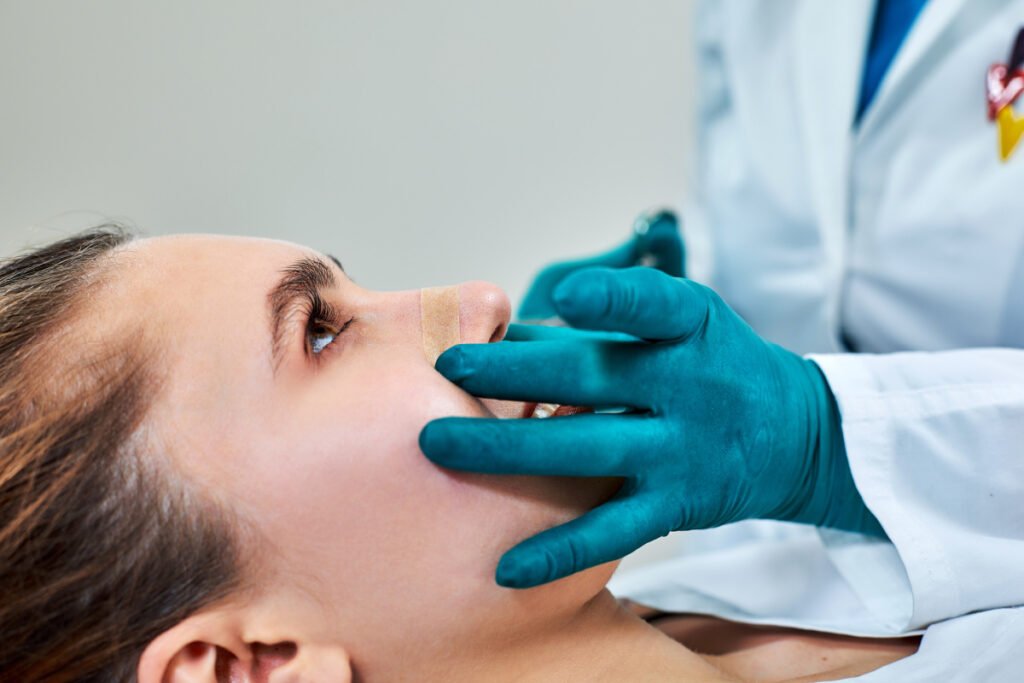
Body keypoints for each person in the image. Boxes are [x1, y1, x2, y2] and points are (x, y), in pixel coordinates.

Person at [0, 226, 924, 682]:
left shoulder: (768, 580)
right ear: (247, 668)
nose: (484, 300)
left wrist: (835, 449)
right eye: (321, 332)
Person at [418, 0, 1024, 678]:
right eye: (321, 332)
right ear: (277, 658)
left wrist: (820, 438)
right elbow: (788, 247)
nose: (482, 301)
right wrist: (690, 284)